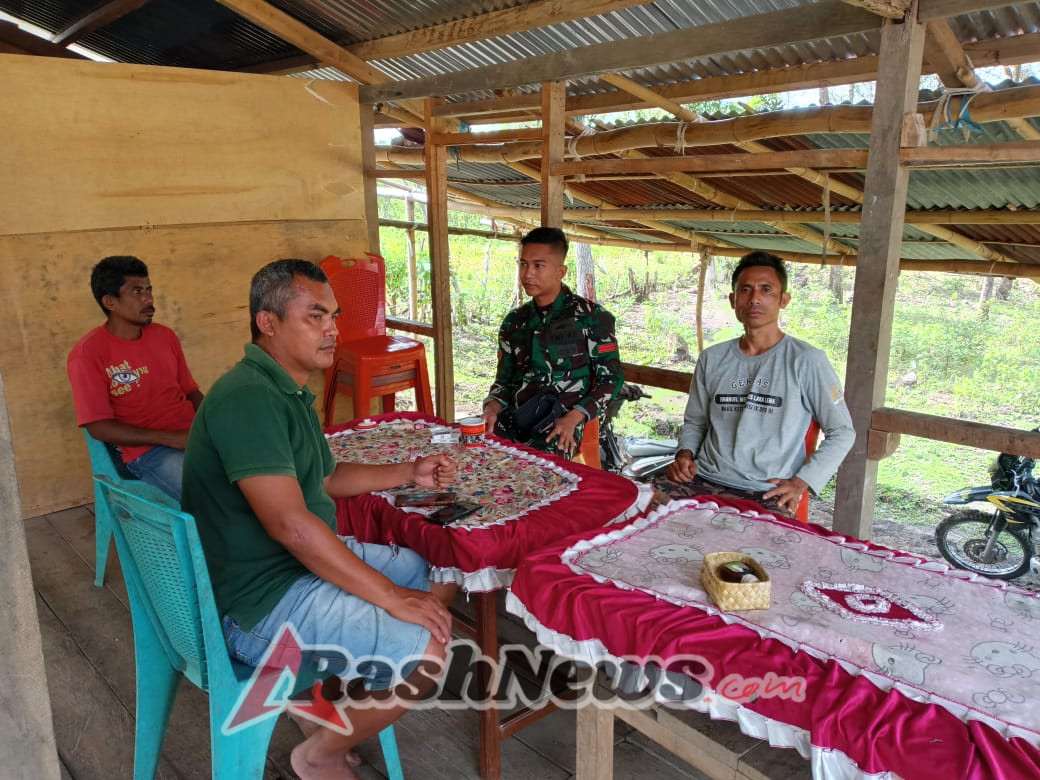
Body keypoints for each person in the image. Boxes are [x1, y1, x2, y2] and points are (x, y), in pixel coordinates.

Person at [182, 259, 455, 780]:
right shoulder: (248, 399)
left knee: (430, 573)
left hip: (289, 569)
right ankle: (317, 755)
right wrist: (389, 597)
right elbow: (291, 526)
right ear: (268, 322)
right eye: (314, 316)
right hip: (256, 604)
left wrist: (409, 471)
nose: (332, 329)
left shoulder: (285, 390)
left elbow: (325, 478)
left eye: (333, 316)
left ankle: (323, 704)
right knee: (425, 655)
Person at [662, 251, 855, 517]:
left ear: (783, 300)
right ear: (733, 300)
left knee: (756, 544)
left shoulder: (806, 361)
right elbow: (696, 421)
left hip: (765, 490)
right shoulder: (712, 358)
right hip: (703, 478)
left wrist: (801, 482)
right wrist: (684, 455)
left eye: (766, 290)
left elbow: (842, 431)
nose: (754, 299)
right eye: (745, 290)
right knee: (644, 522)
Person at [67, 255, 202, 502]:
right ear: (110, 302)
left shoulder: (164, 336)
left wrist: (211, 425)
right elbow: (98, 427)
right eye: (136, 292)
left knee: (256, 473)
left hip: (191, 436)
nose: (148, 299)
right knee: (211, 496)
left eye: (149, 290)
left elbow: (190, 391)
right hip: (147, 452)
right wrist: (169, 438)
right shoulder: (88, 354)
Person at [481, 227, 623, 458]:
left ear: (560, 271)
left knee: (538, 465)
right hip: (517, 415)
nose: (528, 274)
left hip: (562, 419)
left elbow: (611, 379)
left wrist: (575, 416)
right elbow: (504, 380)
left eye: (538, 266)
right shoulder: (514, 322)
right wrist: (492, 407)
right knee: (471, 446)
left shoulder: (591, 318)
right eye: (523, 264)